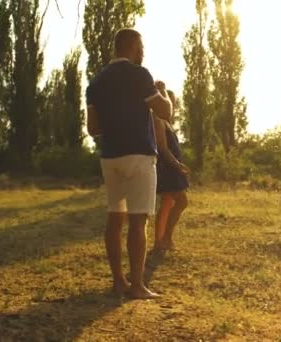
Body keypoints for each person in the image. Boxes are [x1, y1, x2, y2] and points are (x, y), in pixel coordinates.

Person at [86, 28, 172, 299]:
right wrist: (163, 93)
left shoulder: (96, 82)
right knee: (138, 222)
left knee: (114, 219)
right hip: (139, 156)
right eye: (141, 45)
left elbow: (92, 129)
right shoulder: (140, 75)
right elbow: (165, 112)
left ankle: (118, 281)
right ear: (134, 45)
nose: (142, 51)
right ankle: (137, 285)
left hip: (111, 157)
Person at [153, 94, 190, 251]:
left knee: (167, 203)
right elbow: (162, 147)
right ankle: (165, 238)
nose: (172, 106)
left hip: (171, 168)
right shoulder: (157, 120)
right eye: (170, 102)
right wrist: (177, 164)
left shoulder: (167, 122)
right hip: (167, 168)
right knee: (181, 202)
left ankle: (161, 241)